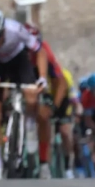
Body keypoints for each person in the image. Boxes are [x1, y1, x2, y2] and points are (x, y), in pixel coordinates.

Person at [0, 9, 47, 180]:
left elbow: (40, 51)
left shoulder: (16, 30)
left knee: (32, 97)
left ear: (4, 30)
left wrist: (42, 77)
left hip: (18, 59)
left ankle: (31, 124)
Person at [23, 23, 74, 179]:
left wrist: (53, 106)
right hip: (22, 74)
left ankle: (53, 163)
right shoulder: (15, 50)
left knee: (48, 118)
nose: (29, 52)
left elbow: (61, 83)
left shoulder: (45, 51)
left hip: (50, 87)